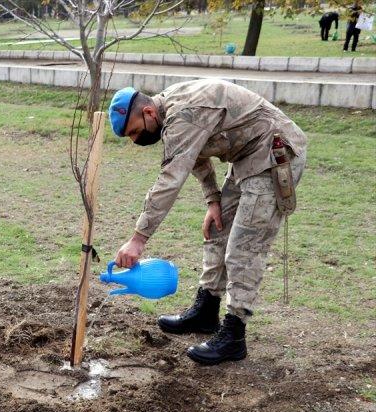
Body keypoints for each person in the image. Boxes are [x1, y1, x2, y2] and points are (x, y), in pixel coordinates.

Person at [108, 80, 307, 365]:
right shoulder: (169, 114)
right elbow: (194, 155)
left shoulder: (184, 113)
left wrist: (138, 239)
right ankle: (206, 311)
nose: (136, 140)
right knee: (217, 229)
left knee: (243, 248)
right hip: (246, 158)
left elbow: (170, 180)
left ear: (149, 113)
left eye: (135, 132)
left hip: (274, 154)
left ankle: (234, 335)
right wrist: (213, 200)